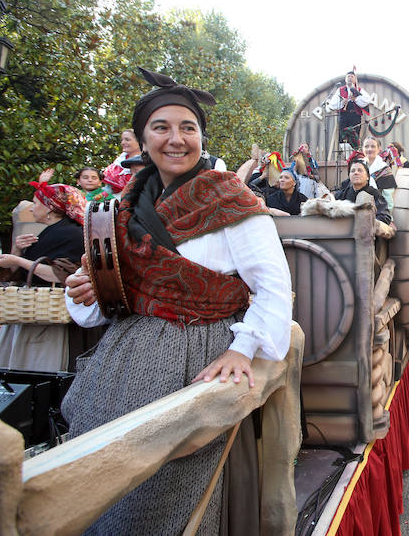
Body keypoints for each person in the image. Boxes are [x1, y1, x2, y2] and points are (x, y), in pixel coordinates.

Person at [62, 68, 293, 534]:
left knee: (165, 493)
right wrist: (84, 294)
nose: (176, 139)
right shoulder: (118, 209)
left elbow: (273, 286)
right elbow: (107, 301)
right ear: (143, 139)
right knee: (99, 483)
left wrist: (240, 349)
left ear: (201, 138)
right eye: (161, 127)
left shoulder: (231, 200)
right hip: (123, 360)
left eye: (188, 127)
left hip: (197, 356)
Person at [0, 181, 94, 372]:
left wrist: (18, 260)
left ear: (50, 208)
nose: (31, 209)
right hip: (30, 312)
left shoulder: (71, 233)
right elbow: (17, 274)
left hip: (50, 317)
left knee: (41, 367)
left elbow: (61, 274)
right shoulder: (47, 233)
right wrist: (17, 250)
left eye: (35, 203)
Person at [333, 160, 392, 225]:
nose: (356, 173)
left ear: (367, 177)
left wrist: (367, 223)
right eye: (352, 171)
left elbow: (385, 217)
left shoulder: (374, 194)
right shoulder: (342, 194)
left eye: (360, 170)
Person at [326, 70, 372, 149]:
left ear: (355, 79)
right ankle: (347, 157)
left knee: (354, 137)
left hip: (355, 116)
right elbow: (333, 104)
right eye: (348, 76)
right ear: (345, 79)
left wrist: (356, 99)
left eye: (352, 76)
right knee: (343, 137)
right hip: (343, 116)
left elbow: (367, 100)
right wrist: (342, 103)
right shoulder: (340, 90)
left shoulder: (359, 90)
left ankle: (353, 155)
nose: (350, 78)